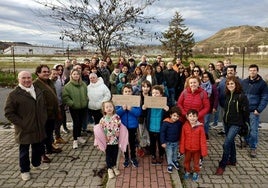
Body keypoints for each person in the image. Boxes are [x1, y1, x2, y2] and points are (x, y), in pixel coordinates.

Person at [4, 71, 49, 181]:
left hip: (38, 126)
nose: (27, 80)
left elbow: (43, 106)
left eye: (28, 77)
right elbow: (8, 113)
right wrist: (23, 123)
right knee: (24, 151)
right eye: (23, 78)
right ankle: (24, 170)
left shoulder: (37, 90)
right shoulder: (14, 94)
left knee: (37, 147)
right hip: (24, 129)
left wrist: (43, 119)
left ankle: (36, 164)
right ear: (18, 79)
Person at [215, 76, 249, 175]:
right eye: (228, 84)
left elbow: (246, 113)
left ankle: (222, 165)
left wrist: (245, 126)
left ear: (236, 84)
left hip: (236, 124)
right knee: (231, 142)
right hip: (226, 122)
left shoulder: (242, 96)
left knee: (226, 143)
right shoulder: (227, 95)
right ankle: (233, 160)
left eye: (232, 83)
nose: (230, 85)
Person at [34, 64, 62, 164]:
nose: (46, 73)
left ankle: (50, 148)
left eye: (47, 71)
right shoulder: (36, 84)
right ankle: (42, 154)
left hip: (52, 114)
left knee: (49, 133)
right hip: (43, 115)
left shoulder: (49, 82)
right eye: (44, 72)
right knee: (42, 135)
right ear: (38, 73)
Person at [93, 101, 128, 179]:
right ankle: (109, 169)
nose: (109, 108)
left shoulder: (117, 117)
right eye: (107, 107)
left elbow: (120, 128)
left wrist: (122, 138)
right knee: (108, 155)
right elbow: (98, 132)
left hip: (115, 141)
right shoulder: (102, 120)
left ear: (113, 108)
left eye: (110, 107)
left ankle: (114, 166)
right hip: (107, 142)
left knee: (115, 154)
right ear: (104, 109)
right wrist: (97, 143)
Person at [241, 64, 268, 158]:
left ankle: (253, 147)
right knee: (245, 128)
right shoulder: (244, 82)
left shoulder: (262, 84)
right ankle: (246, 141)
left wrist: (259, 109)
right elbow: (241, 95)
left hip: (254, 111)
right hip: (244, 111)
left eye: (254, 70)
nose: (252, 72)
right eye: (251, 70)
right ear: (248, 71)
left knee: (253, 130)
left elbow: (264, 98)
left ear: (257, 71)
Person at [116, 84, 142, 168]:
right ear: (123, 92)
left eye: (129, 91)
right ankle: (126, 158)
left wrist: (131, 109)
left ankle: (133, 157)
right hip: (123, 126)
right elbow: (116, 114)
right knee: (125, 143)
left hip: (132, 126)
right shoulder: (119, 101)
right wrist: (122, 109)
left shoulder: (135, 101)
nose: (127, 93)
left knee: (132, 142)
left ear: (132, 92)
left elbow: (138, 113)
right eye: (125, 91)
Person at [143, 85, 169, 165]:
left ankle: (161, 155)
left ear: (161, 94)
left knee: (161, 142)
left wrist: (167, 110)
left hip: (160, 128)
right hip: (151, 127)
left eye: (157, 93)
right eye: (153, 93)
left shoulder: (164, 104)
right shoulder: (149, 103)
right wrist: (143, 108)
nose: (154, 94)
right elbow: (144, 115)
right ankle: (153, 155)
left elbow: (168, 117)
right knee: (152, 143)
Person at [63, 69, 89, 149]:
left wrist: (86, 100)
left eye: (77, 74)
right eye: (74, 74)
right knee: (76, 123)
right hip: (74, 108)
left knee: (81, 122)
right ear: (71, 75)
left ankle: (78, 136)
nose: (76, 76)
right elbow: (65, 97)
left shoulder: (83, 84)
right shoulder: (68, 86)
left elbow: (86, 93)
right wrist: (72, 103)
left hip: (83, 107)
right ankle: (75, 140)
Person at [180, 109, 208, 181]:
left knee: (196, 162)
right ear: (187, 117)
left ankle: (196, 172)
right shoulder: (185, 126)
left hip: (197, 149)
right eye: (190, 116)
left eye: (194, 116)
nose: (192, 118)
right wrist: (182, 149)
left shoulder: (200, 128)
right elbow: (182, 138)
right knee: (187, 161)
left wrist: (203, 151)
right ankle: (187, 171)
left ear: (197, 117)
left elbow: (203, 140)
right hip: (187, 149)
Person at [160, 106, 182, 173]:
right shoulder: (166, 123)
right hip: (168, 142)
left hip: (176, 141)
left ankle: (175, 161)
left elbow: (180, 132)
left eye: (177, 116)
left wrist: (180, 140)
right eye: (174, 115)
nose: (175, 118)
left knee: (175, 152)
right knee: (169, 153)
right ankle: (170, 164)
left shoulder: (179, 123)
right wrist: (163, 142)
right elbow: (162, 132)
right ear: (170, 115)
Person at [50, 69, 68, 144]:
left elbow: (61, 93)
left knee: (59, 121)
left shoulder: (58, 81)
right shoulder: (48, 83)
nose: (55, 76)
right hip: (51, 107)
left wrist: (64, 102)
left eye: (56, 74)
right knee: (51, 124)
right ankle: (50, 141)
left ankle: (58, 137)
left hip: (60, 104)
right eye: (53, 74)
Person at [201, 71, 219, 139]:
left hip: (208, 106)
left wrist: (215, 107)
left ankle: (205, 133)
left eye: (206, 77)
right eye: (203, 77)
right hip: (200, 106)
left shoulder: (213, 86)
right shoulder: (200, 85)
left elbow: (216, 97)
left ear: (209, 77)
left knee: (206, 121)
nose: (205, 78)